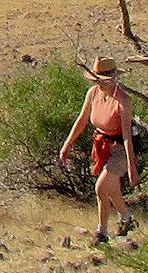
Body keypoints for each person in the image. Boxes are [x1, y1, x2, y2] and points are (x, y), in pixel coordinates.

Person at [57, 56, 139, 246]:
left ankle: (101, 233)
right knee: (112, 190)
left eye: (103, 80)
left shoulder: (123, 100)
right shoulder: (93, 93)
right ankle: (127, 219)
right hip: (102, 145)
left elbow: (127, 135)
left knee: (101, 188)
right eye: (97, 80)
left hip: (121, 147)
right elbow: (82, 120)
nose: (99, 84)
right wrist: (67, 144)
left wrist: (132, 167)